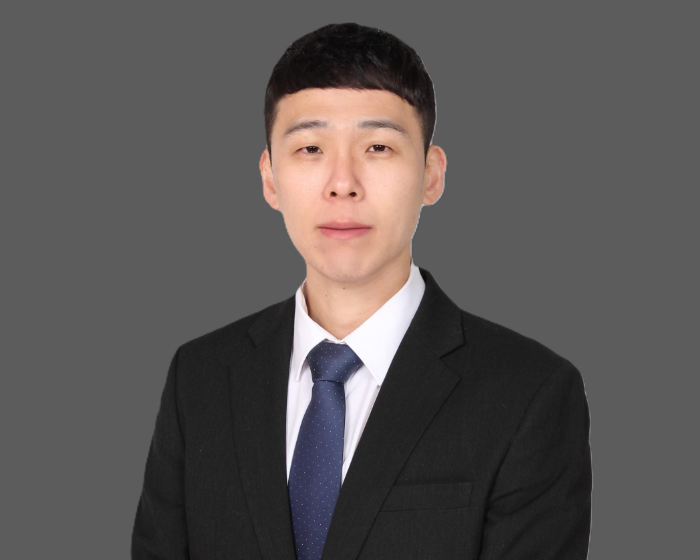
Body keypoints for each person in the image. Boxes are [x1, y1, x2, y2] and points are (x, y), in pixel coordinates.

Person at [131, 22, 592, 560]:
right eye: (310, 148)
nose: (343, 182)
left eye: (378, 146)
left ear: (431, 175)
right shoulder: (200, 378)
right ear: (270, 178)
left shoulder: (529, 393)